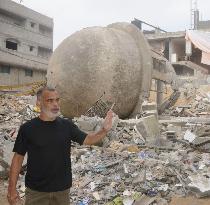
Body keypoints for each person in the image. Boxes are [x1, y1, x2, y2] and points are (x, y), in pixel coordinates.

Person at [7, 87, 113, 205]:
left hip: (62, 192)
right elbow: (17, 159)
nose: (55, 104)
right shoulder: (28, 128)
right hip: (36, 192)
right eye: (50, 100)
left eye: (57, 100)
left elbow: (88, 139)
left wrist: (104, 130)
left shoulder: (67, 126)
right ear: (38, 102)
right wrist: (11, 189)